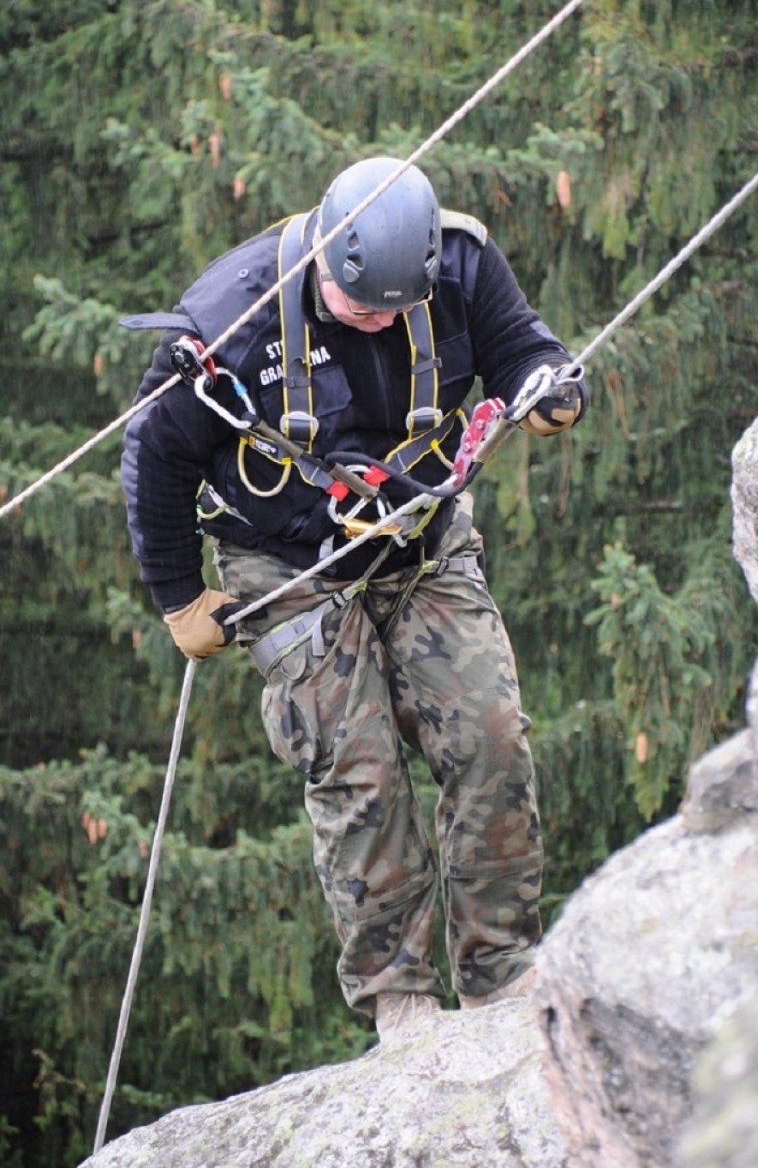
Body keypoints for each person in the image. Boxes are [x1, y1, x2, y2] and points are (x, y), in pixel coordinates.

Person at [121, 156, 588, 1042]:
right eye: (354, 304)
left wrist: (552, 393)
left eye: (388, 310)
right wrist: (181, 599)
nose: (372, 319)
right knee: (358, 770)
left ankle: (500, 975)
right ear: (327, 261)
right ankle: (400, 1000)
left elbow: (525, 350)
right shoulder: (234, 318)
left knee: (491, 737)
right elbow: (154, 454)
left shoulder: (459, 266)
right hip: (283, 557)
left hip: (418, 540)